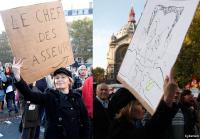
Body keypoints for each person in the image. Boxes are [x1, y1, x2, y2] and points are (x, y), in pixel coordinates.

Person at [12, 58, 89, 139]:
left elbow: (85, 122)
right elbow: (30, 95)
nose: (60, 80)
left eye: (63, 77)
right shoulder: (49, 96)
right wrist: (17, 76)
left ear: (69, 81)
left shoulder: (77, 97)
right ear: (54, 81)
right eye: (57, 78)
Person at [107, 73, 179, 139]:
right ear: (127, 108)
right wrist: (168, 99)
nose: (143, 107)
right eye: (139, 104)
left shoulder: (124, 126)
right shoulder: (120, 131)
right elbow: (150, 131)